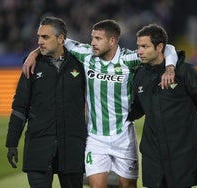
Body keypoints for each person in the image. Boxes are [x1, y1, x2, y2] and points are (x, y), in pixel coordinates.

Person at [22, 19, 178, 188]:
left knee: (128, 185)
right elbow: (53, 40)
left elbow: (168, 48)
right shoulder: (86, 54)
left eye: (98, 39)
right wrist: (34, 53)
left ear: (112, 41)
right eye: (92, 38)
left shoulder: (129, 59)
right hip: (95, 137)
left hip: (123, 136)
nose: (92, 43)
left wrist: (170, 68)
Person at [128, 24, 197, 188]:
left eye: (145, 46)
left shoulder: (185, 72)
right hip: (152, 153)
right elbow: (138, 109)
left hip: (183, 151)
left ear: (160, 47)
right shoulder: (140, 75)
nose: (139, 51)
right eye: (138, 47)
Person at [5, 16, 87, 188]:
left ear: (61, 39)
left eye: (45, 37)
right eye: (38, 37)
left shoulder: (80, 64)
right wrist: (12, 142)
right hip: (39, 149)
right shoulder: (31, 67)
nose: (39, 41)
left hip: (71, 150)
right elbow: (20, 107)